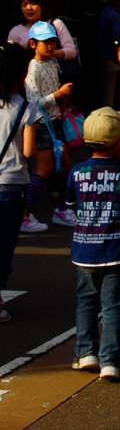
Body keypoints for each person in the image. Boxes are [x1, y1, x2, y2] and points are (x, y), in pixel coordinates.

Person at [65, 107, 120, 380]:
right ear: (119, 142)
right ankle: (110, 360)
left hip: (84, 249)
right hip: (117, 250)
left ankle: (86, 353)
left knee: (86, 301)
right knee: (112, 306)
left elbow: (71, 204)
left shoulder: (76, 172)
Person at [0, 44, 39, 323]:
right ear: (23, 73)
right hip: (12, 184)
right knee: (4, 246)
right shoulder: (26, 108)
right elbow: (28, 152)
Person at [23, 21, 75, 231]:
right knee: (44, 169)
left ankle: (62, 209)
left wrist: (61, 98)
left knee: (65, 167)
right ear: (34, 44)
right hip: (42, 124)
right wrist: (58, 95)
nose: (51, 45)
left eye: (52, 40)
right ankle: (23, 214)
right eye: (46, 41)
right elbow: (33, 102)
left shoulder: (53, 63)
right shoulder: (33, 67)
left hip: (55, 122)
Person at [7, 0, 78, 70]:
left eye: (33, 3)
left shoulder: (56, 24)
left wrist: (49, 52)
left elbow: (72, 52)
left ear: (42, 6)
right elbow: (10, 60)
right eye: (24, 5)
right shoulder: (15, 32)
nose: (29, 8)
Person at [97, 0, 120, 107]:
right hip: (110, 59)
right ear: (119, 1)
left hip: (101, 57)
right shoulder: (115, 16)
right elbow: (117, 39)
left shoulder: (103, 13)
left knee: (104, 91)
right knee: (110, 94)